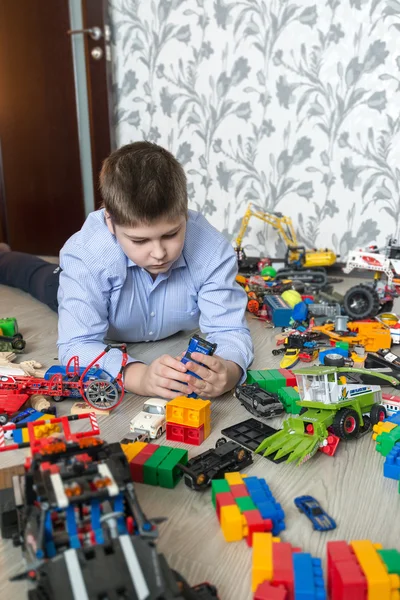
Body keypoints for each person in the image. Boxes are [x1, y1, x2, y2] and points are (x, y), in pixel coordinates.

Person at [0, 142, 253, 398]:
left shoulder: (211, 250)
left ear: (184, 213)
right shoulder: (86, 255)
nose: (159, 253)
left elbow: (228, 330)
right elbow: (77, 345)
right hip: (74, 287)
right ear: (110, 221)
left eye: (171, 234)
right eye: (140, 241)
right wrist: (138, 376)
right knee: (34, 274)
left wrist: (229, 371)